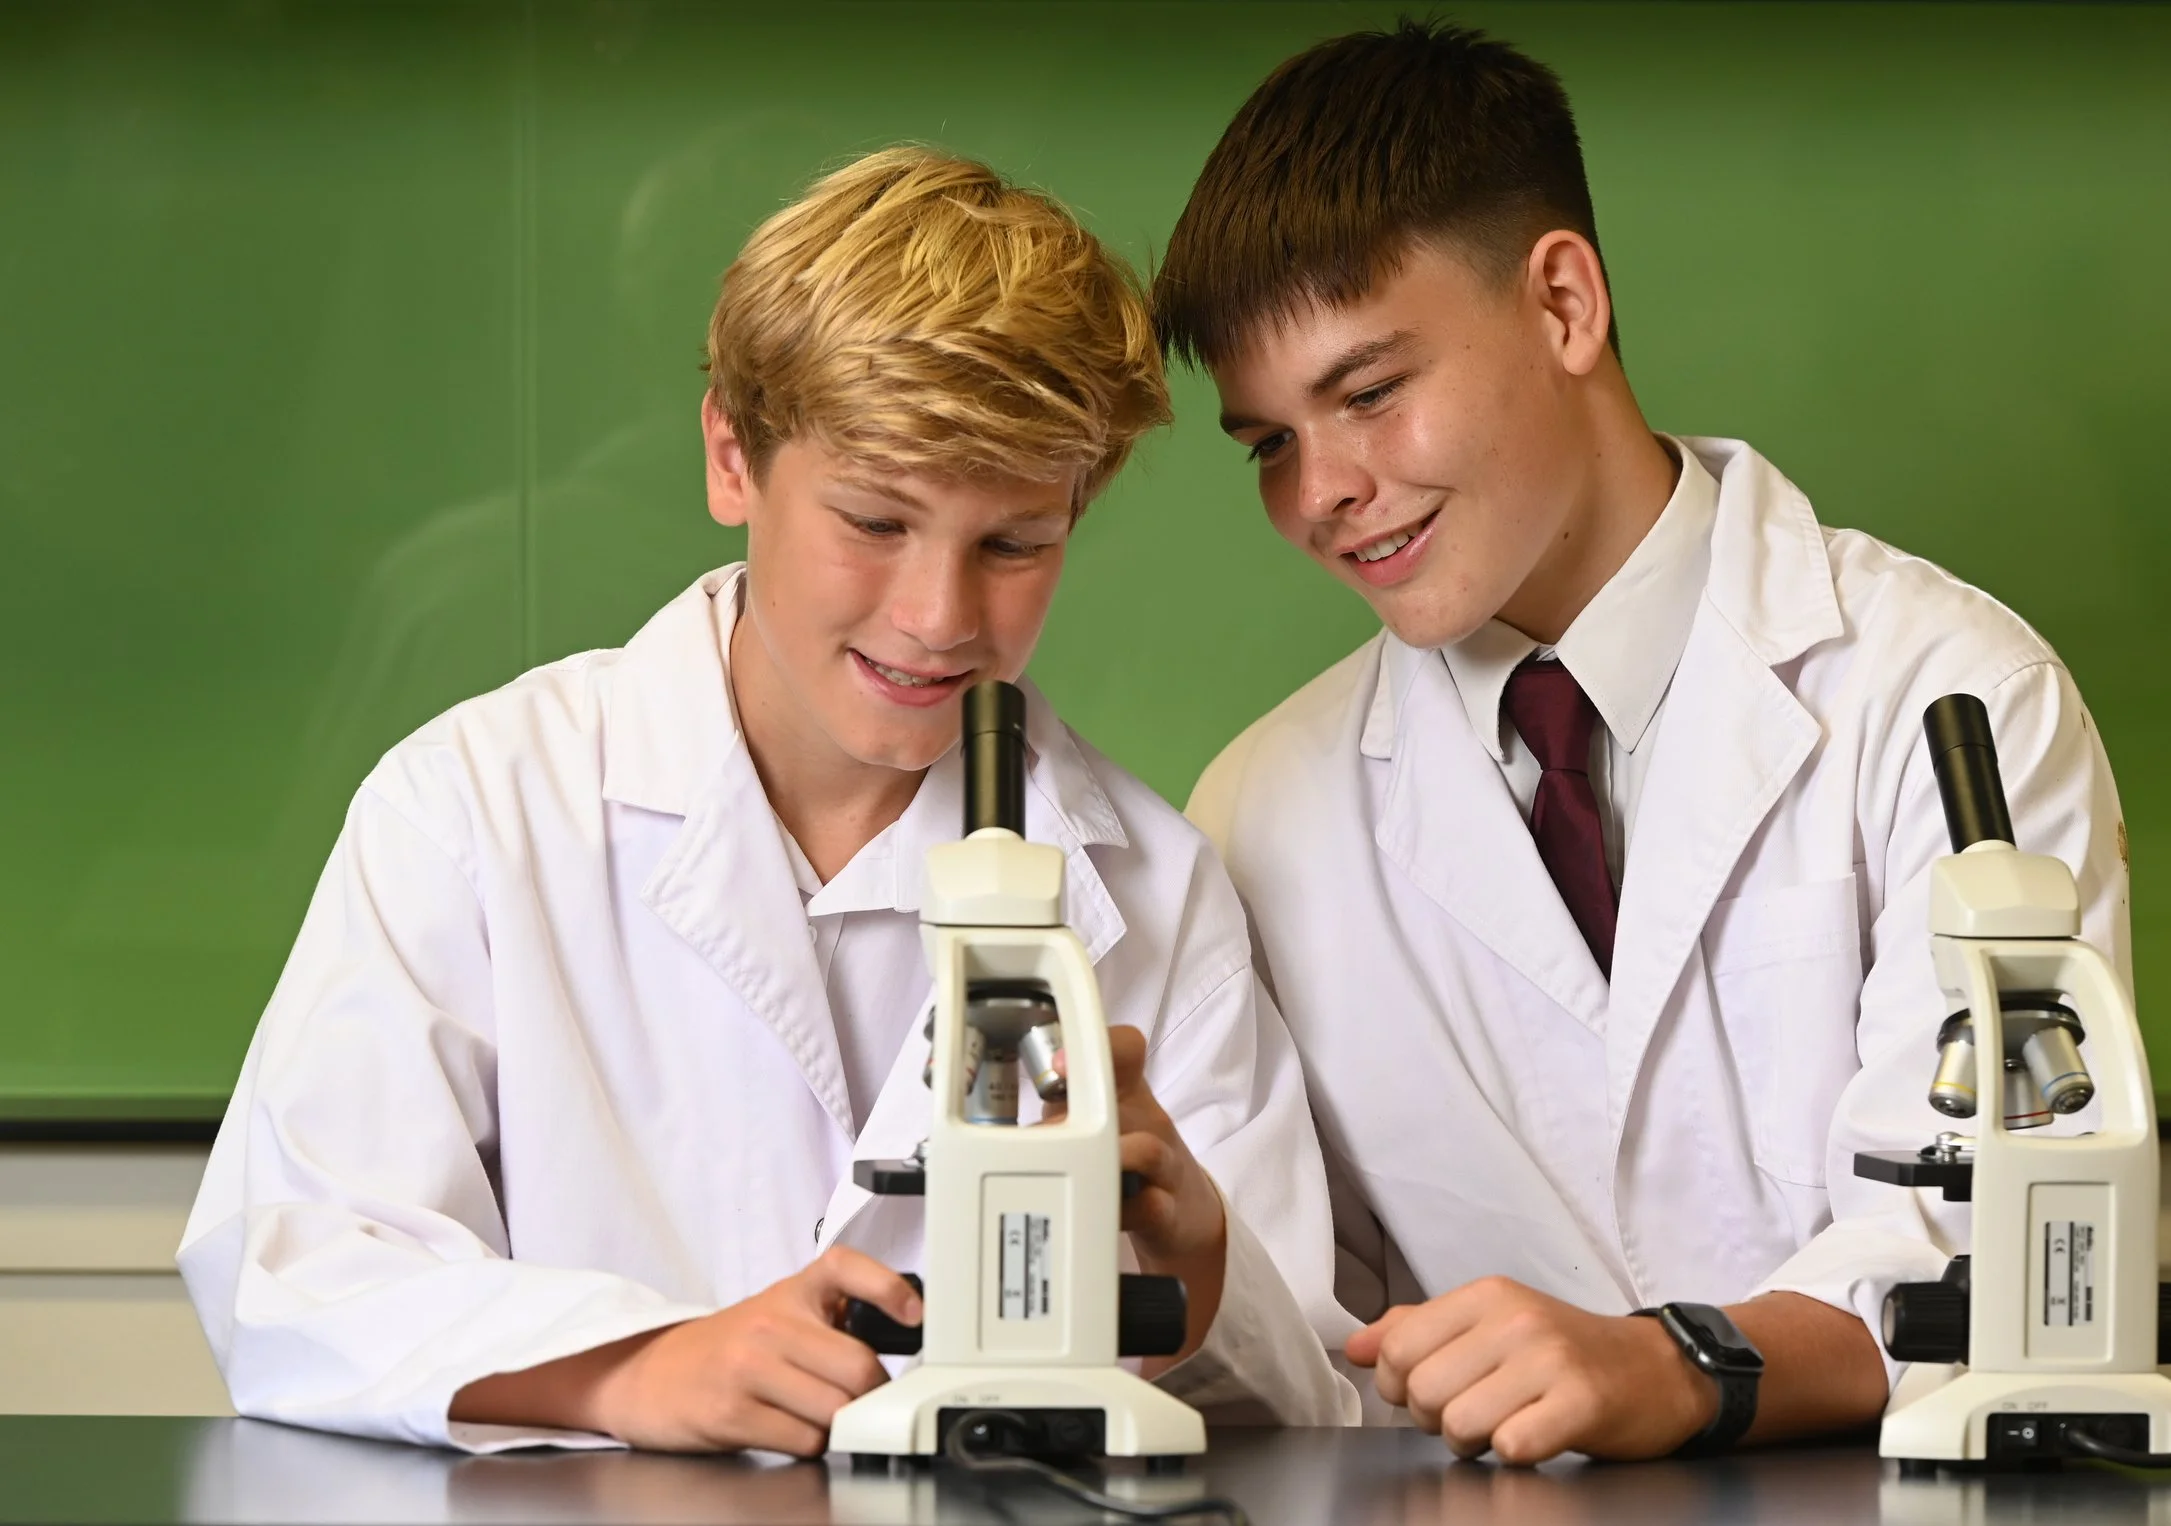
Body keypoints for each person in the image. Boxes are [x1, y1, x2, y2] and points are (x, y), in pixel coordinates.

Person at [179, 146, 1354, 1454]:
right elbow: (287, 1272)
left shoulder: (1149, 886)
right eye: (872, 519)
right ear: (733, 458)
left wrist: (1188, 1262)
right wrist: (632, 1368)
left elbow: (1302, 1394)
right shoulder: (475, 811)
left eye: (1014, 543)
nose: (936, 616)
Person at [1157, 23, 2127, 1464]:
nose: (1325, 494)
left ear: (1563, 303)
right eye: (1268, 443)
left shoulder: (1947, 698)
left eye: (1368, 393)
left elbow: (2004, 1238)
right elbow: (1315, 1355)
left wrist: (1676, 1363)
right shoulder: (1263, 810)